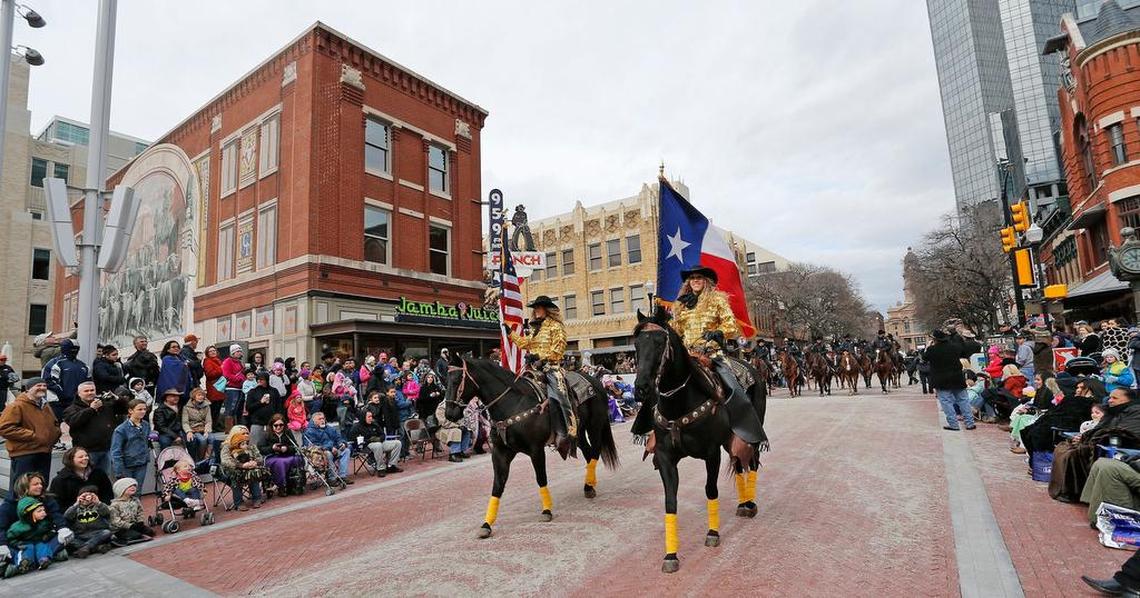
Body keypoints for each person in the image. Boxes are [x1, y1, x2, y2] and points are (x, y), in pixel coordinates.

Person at [657, 268, 767, 449]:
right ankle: (653, 431)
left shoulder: (717, 299)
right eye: (692, 278)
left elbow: (730, 323)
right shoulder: (681, 304)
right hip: (687, 355)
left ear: (706, 281)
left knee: (733, 385)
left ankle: (749, 430)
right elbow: (675, 331)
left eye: (698, 277)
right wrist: (663, 322)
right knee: (659, 382)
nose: (695, 280)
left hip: (711, 354)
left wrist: (719, 332)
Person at [504, 295, 577, 457]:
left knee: (558, 396)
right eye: (535, 308)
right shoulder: (537, 328)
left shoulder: (556, 326)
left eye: (538, 308)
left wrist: (540, 357)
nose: (536, 311)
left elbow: (558, 350)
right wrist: (510, 333)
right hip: (534, 369)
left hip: (551, 368)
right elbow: (525, 343)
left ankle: (566, 433)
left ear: (546, 309)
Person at [1050, 388, 1140, 502]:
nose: (1110, 400)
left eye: (1115, 398)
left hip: (1122, 447)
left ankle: (1075, 493)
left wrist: (1089, 439)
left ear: (1128, 399)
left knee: (1075, 453)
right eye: (1110, 397)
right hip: (1101, 442)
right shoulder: (1112, 412)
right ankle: (1069, 491)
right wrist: (1084, 437)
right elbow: (1099, 429)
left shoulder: (1135, 413)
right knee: (1064, 447)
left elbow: (1125, 433)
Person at [0, 378, 61, 491]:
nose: (42, 388)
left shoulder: (45, 406)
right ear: (28, 389)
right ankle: (16, 509)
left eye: (44, 385)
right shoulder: (16, 406)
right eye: (38, 385)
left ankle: (37, 508)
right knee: (21, 490)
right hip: (25, 454)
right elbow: (4, 428)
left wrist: (55, 434)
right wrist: (33, 435)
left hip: (44, 452)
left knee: (40, 488)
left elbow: (54, 423)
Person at [61, 381, 123, 474]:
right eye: (86, 391)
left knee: (104, 477)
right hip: (86, 452)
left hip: (106, 449)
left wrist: (118, 399)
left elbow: (124, 409)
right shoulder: (71, 409)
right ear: (79, 393)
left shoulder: (103, 405)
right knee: (87, 477)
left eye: (92, 390)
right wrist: (91, 409)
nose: (90, 393)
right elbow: (74, 422)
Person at [925, 329, 976, 431]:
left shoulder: (932, 349)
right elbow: (964, 352)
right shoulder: (955, 347)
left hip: (941, 379)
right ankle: (970, 423)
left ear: (935, 339)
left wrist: (928, 346)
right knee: (963, 400)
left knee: (946, 402)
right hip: (957, 378)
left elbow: (924, 357)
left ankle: (954, 424)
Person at [5, 496, 67, 576]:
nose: (44, 513)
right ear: (29, 514)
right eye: (39, 511)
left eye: (43, 510)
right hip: (25, 543)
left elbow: (52, 530)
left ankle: (44, 560)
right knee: (28, 549)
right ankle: (23, 563)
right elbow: (10, 538)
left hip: (39, 540)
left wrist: (48, 535)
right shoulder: (17, 527)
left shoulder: (45, 523)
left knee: (43, 546)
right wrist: (17, 544)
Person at [48, 446, 114, 510]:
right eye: (80, 457)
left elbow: (108, 495)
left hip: (99, 512)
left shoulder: (99, 473)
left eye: (86, 456)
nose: (85, 458)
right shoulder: (60, 480)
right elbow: (57, 504)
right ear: (71, 460)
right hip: (73, 515)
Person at [220, 426, 267, 511]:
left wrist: (255, 462)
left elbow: (259, 457)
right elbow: (225, 461)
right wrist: (241, 465)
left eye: (247, 433)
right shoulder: (227, 446)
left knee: (253, 473)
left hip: (250, 468)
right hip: (234, 470)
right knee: (236, 476)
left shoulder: (250, 444)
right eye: (243, 433)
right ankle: (239, 503)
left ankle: (257, 498)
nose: (246, 435)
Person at [42, 339, 89, 421]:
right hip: (59, 403)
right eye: (72, 349)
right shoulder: (55, 363)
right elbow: (48, 381)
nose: (74, 351)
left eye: (76, 349)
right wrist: (63, 395)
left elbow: (88, 382)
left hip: (78, 403)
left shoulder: (83, 365)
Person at [63, 485, 115, 558]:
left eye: (89, 496)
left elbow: (107, 513)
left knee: (107, 532)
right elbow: (67, 516)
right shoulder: (76, 509)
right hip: (81, 536)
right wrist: (76, 504)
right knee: (68, 540)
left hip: (97, 534)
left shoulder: (98, 506)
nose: (86, 499)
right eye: (83, 496)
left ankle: (86, 548)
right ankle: (96, 548)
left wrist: (98, 502)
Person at [110, 399, 153, 484]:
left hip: (142, 462)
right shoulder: (121, 429)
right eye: (139, 409)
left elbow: (146, 442)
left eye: (144, 409)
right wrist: (119, 471)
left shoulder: (146, 425)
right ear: (130, 411)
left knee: (138, 489)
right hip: (127, 465)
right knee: (127, 490)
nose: (143, 412)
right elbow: (116, 451)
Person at [303, 412, 353, 483]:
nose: (322, 420)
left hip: (334, 449)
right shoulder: (309, 431)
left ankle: (342, 476)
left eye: (323, 418)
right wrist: (330, 448)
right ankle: (332, 478)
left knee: (346, 451)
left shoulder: (329, 428)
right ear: (314, 421)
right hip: (320, 453)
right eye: (320, 419)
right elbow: (313, 445)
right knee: (328, 454)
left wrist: (341, 443)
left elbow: (338, 437)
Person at [258, 414, 305, 490]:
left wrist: (286, 448)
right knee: (281, 462)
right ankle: (282, 485)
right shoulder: (266, 434)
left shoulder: (287, 433)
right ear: (272, 425)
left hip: (286, 454)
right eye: (276, 425)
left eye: (281, 425)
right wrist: (272, 448)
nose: (278, 427)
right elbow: (261, 449)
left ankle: (297, 483)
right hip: (272, 456)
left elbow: (295, 446)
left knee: (299, 458)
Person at [351, 409, 402, 476]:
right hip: (366, 445)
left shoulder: (374, 424)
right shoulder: (356, 427)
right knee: (378, 446)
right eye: (369, 417)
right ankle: (381, 468)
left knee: (397, 443)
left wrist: (379, 438)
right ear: (363, 417)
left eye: (371, 416)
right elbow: (354, 440)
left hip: (379, 442)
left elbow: (383, 435)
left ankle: (391, 466)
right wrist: (370, 440)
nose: (371, 418)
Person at [108, 477, 153, 543]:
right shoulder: (115, 505)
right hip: (121, 528)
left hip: (134, 525)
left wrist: (140, 521)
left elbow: (140, 511)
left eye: (134, 485)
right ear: (121, 489)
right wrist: (129, 526)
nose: (133, 487)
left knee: (149, 532)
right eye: (129, 486)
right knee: (135, 536)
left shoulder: (135, 500)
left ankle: (137, 533)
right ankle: (116, 537)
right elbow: (115, 521)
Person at [246, 371, 283, 448]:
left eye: (262, 380)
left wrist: (278, 418)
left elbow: (279, 406)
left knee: (272, 444)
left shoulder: (274, 391)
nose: (259, 381)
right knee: (254, 445)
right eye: (258, 380)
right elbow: (248, 407)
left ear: (266, 380)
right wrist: (260, 402)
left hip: (271, 422)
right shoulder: (253, 391)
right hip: (257, 422)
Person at [182, 388, 213, 461]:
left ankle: (207, 458)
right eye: (199, 395)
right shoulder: (186, 407)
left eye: (202, 395)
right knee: (202, 440)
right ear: (194, 396)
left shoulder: (207, 406)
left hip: (203, 427)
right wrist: (188, 431)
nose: (201, 397)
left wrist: (207, 430)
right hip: (193, 429)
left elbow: (208, 420)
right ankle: (199, 459)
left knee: (212, 439)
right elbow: (185, 422)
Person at [155, 340, 190, 404]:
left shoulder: (181, 358)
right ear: (168, 350)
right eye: (173, 347)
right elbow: (174, 372)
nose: (176, 348)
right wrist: (185, 364)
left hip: (183, 389)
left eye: (177, 347)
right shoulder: (167, 359)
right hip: (172, 389)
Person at [221, 345, 247, 430]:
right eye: (238, 351)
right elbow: (226, 374)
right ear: (233, 352)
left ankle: (237, 428)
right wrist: (238, 379)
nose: (240, 353)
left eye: (240, 351)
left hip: (240, 388)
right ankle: (228, 429)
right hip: (231, 388)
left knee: (238, 409)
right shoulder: (227, 361)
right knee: (230, 409)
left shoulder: (239, 362)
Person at [202, 345, 226, 432]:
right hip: (213, 388)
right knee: (213, 409)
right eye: (210, 351)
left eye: (214, 351)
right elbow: (209, 374)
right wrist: (221, 370)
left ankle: (215, 425)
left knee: (217, 408)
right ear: (207, 353)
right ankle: (211, 426)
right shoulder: (207, 361)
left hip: (220, 388)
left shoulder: (218, 361)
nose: (213, 352)